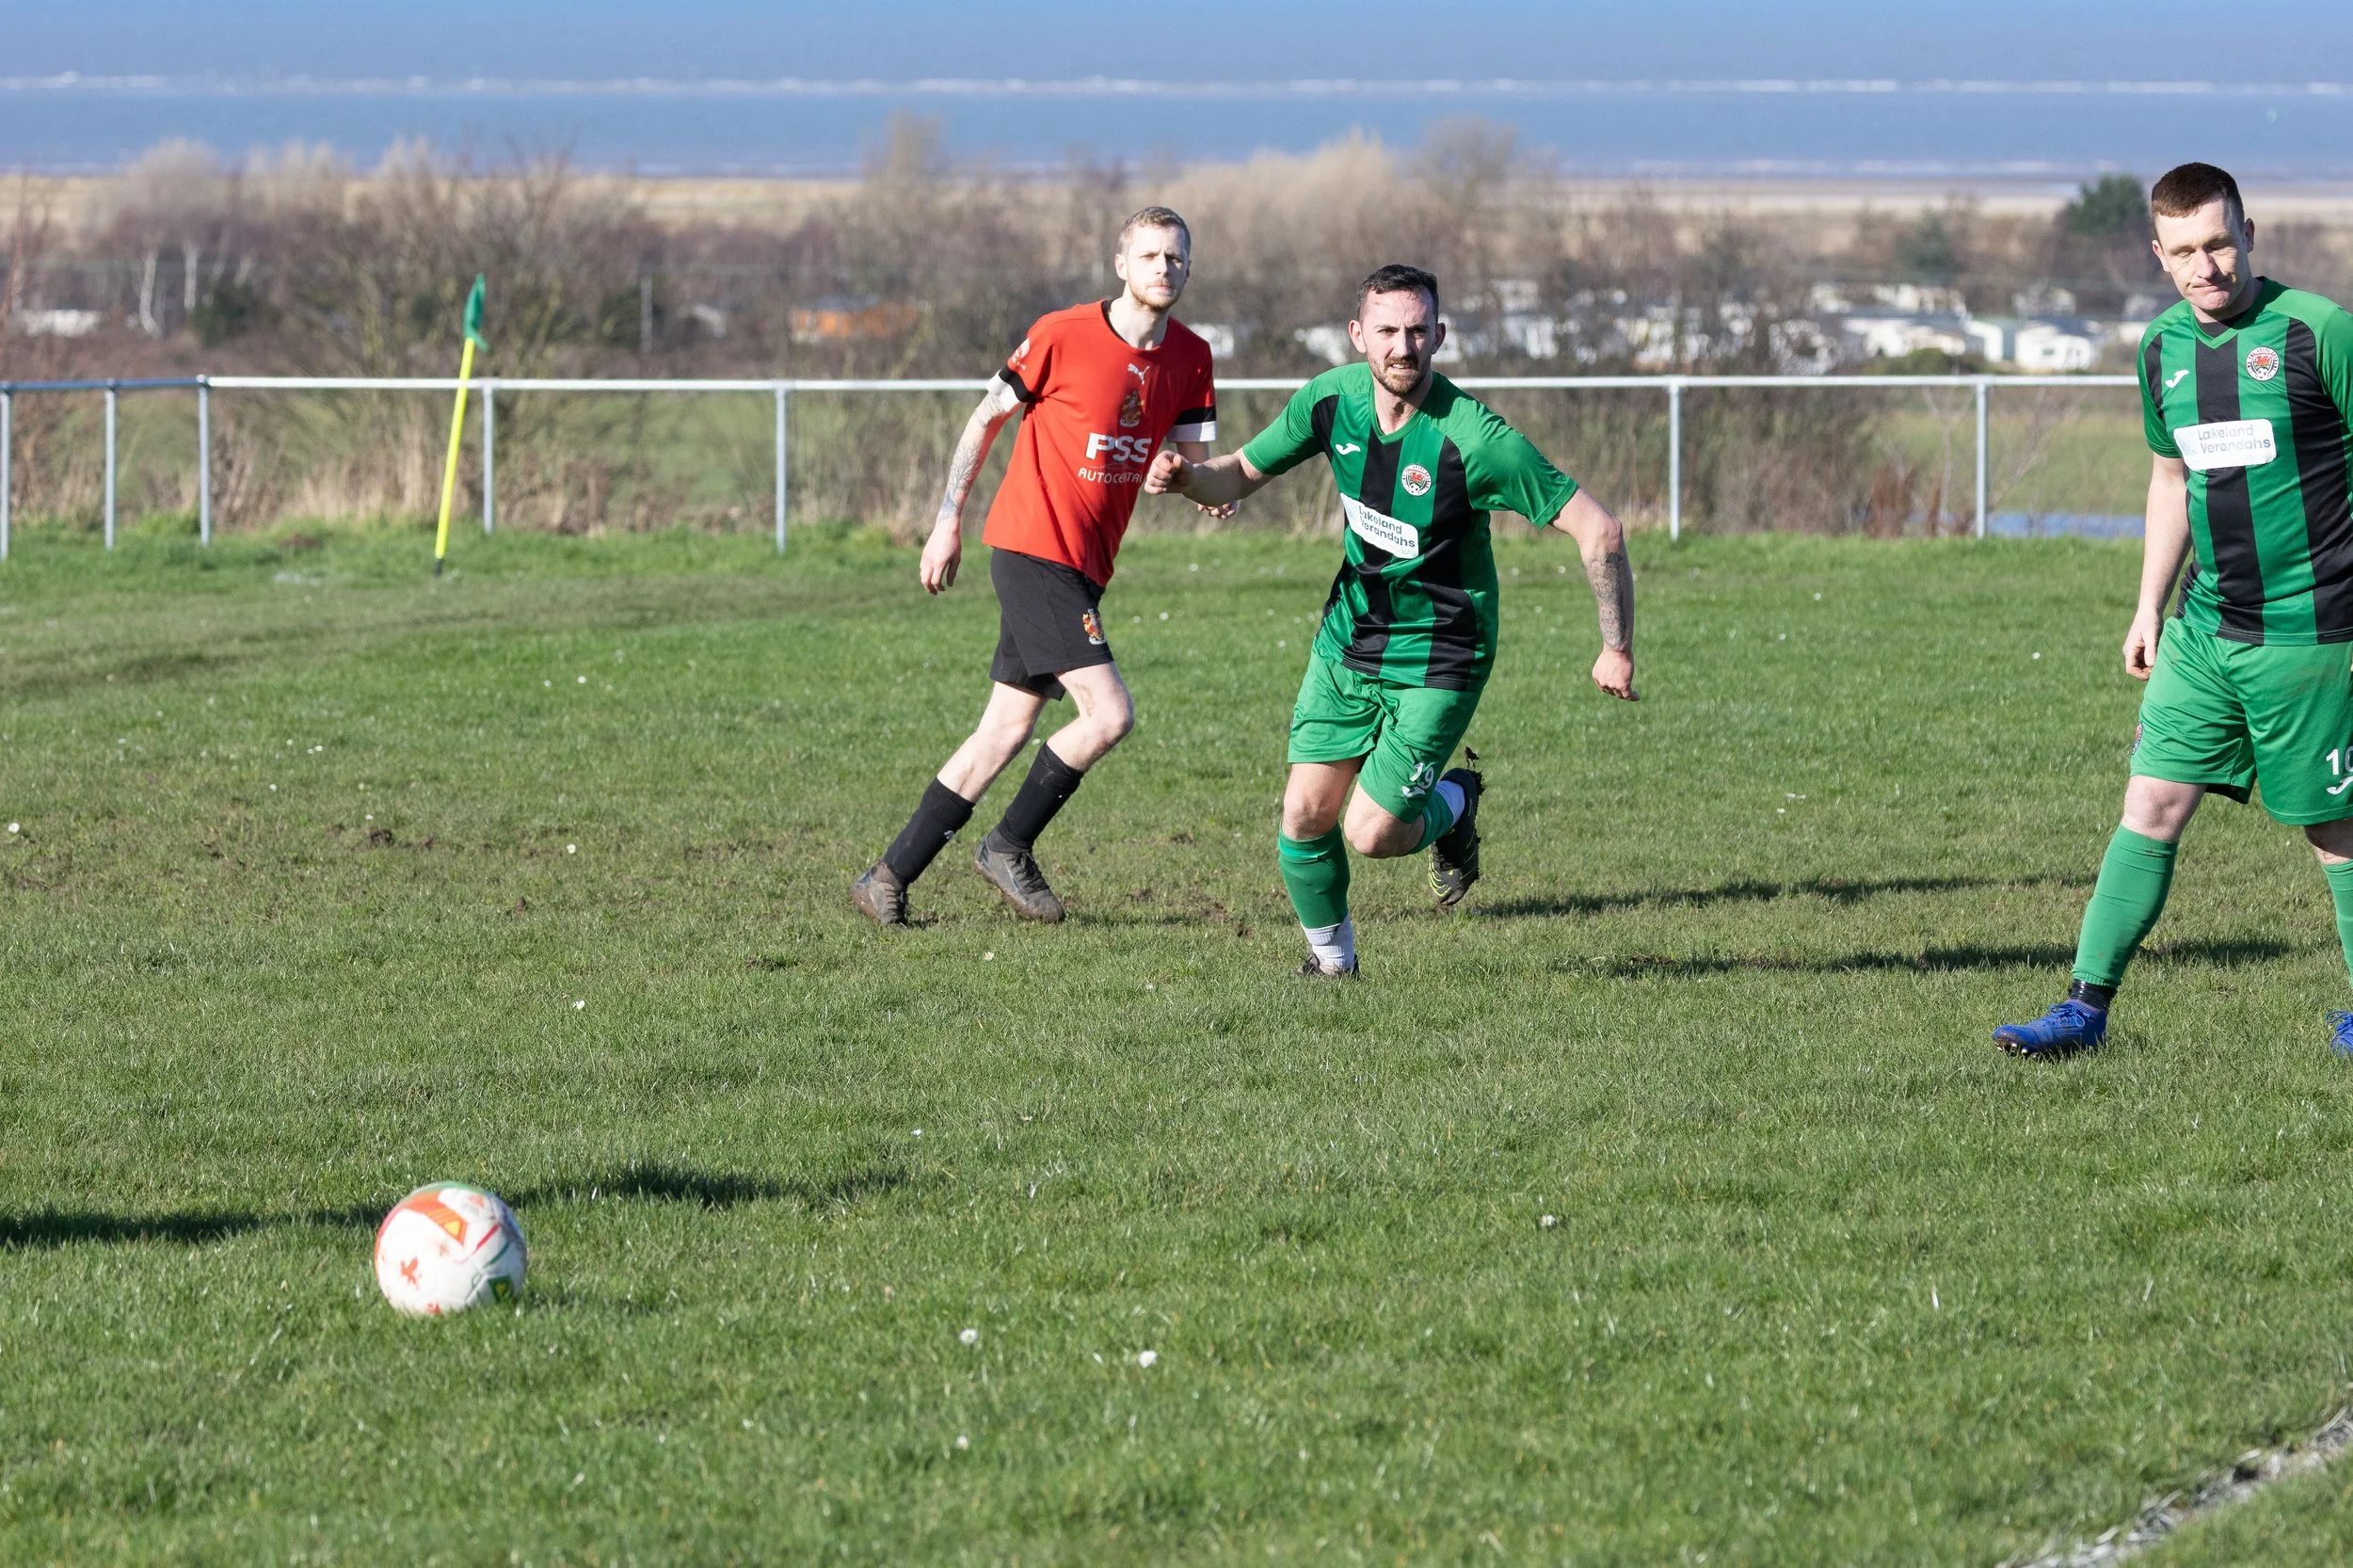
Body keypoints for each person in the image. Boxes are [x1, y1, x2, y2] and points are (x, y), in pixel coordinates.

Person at [1144, 263, 1638, 977]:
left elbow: (1602, 531)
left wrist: (1614, 646)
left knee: (1373, 833)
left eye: (1416, 330)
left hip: (1442, 655)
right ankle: (1332, 966)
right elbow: (1243, 473)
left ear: (1438, 334)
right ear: (1358, 337)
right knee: (1304, 817)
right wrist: (1189, 479)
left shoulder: (1476, 441)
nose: (1403, 346)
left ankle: (1455, 802)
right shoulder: (1330, 401)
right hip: (1351, 638)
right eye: (1387, 331)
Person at [1994, 162, 2353, 1057]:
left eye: (2221, 243)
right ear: (2160, 255)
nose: (2208, 266)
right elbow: (2169, 477)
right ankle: (2083, 1011)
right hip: (2202, 631)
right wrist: (2148, 606)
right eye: (2186, 250)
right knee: (2150, 806)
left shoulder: (2319, 332)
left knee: (2335, 832)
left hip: (2312, 635)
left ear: (2251, 235)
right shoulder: (2160, 349)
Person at [851, 207, 1222, 927]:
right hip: (1032, 549)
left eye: (1176, 258)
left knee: (1003, 731)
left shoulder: (1193, 356)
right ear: (1121, 265)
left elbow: (1195, 463)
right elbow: (985, 418)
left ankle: (887, 877)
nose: (1163, 269)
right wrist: (946, 520)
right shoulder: (1061, 334)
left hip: (1086, 566)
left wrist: (1187, 480)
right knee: (1109, 715)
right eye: (1149, 256)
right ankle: (1008, 845)